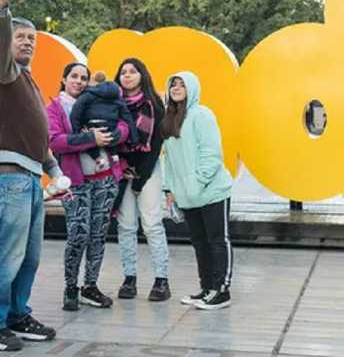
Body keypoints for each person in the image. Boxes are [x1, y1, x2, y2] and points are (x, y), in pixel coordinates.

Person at [0, 0, 67, 352]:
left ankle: (17, 315)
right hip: (8, 181)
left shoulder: (28, 81)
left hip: (29, 181)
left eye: (32, 39)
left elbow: (39, 140)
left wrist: (56, 172)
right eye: (21, 37)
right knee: (7, 256)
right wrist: (1, 9)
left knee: (27, 258)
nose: (28, 42)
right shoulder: (2, 72)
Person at [46, 62, 130, 312]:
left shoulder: (98, 101)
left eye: (84, 77)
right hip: (76, 184)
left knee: (98, 234)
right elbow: (55, 141)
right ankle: (71, 287)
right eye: (74, 76)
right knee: (78, 234)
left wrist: (116, 135)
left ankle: (90, 286)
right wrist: (90, 139)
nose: (79, 81)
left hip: (105, 180)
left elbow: (123, 123)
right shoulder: (55, 108)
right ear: (63, 79)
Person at [160, 71, 234, 310]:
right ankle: (206, 288)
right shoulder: (169, 120)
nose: (177, 88)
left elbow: (212, 155)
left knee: (217, 240)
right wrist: (169, 189)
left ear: (192, 88)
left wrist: (196, 182)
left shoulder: (202, 115)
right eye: (173, 84)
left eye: (182, 84)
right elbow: (169, 159)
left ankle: (221, 291)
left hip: (212, 191)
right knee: (200, 242)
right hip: (187, 196)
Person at [112, 57, 171, 302]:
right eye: (123, 72)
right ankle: (129, 278)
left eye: (132, 71)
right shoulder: (112, 104)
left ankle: (161, 280)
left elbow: (156, 144)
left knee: (151, 224)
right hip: (121, 170)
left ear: (141, 75)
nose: (127, 75)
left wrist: (139, 179)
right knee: (126, 226)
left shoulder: (153, 104)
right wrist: (122, 167)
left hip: (147, 170)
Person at [68, 71, 137, 171]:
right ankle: (114, 155)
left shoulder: (89, 94)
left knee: (89, 139)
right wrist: (134, 137)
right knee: (110, 136)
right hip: (111, 125)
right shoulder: (116, 95)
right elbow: (127, 116)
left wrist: (76, 130)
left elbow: (77, 110)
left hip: (93, 123)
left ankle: (98, 158)